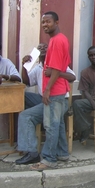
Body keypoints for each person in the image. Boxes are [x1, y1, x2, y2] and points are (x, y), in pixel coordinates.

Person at [15, 43, 75, 165]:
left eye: (45, 47)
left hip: (59, 101)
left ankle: (31, 152)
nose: (42, 49)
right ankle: (61, 151)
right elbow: (27, 82)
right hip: (44, 99)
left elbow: (72, 77)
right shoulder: (38, 67)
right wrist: (24, 66)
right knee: (21, 96)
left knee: (26, 116)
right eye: (40, 48)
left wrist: (55, 73)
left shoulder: (58, 64)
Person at [30, 11, 71, 170]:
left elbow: (55, 69)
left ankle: (48, 160)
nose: (45, 25)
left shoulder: (56, 41)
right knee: (58, 123)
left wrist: (47, 90)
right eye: (43, 22)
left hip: (55, 91)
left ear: (57, 22)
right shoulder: (59, 39)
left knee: (51, 125)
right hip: (59, 90)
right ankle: (62, 153)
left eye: (48, 22)